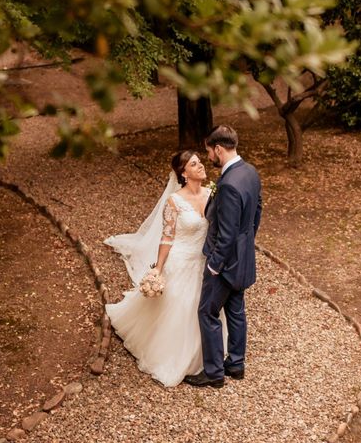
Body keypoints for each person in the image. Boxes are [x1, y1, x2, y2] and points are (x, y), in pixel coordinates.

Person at [104, 150, 226, 387]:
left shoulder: (213, 192)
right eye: (194, 163)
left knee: (205, 307)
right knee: (180, 308)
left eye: (200, 161)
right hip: (181, 261)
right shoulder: (174, 202)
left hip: (205, 261)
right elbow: (167, 237)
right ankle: (177, 356)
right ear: (183, 173)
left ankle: (210, 356)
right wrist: (158, 269)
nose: (201, 165)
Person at [184, 125, 262, 388]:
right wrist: (247, 241)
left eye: (209, 152)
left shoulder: (228, 183)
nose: (209, 158)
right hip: (244, 258)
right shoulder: (249, 171)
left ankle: (215, 372)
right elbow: (257, 211)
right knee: (236, 310)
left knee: (207, 312)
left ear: (218, 148)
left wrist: (215, 265)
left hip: (226, 264)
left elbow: (226, 234)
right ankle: (236, 364)